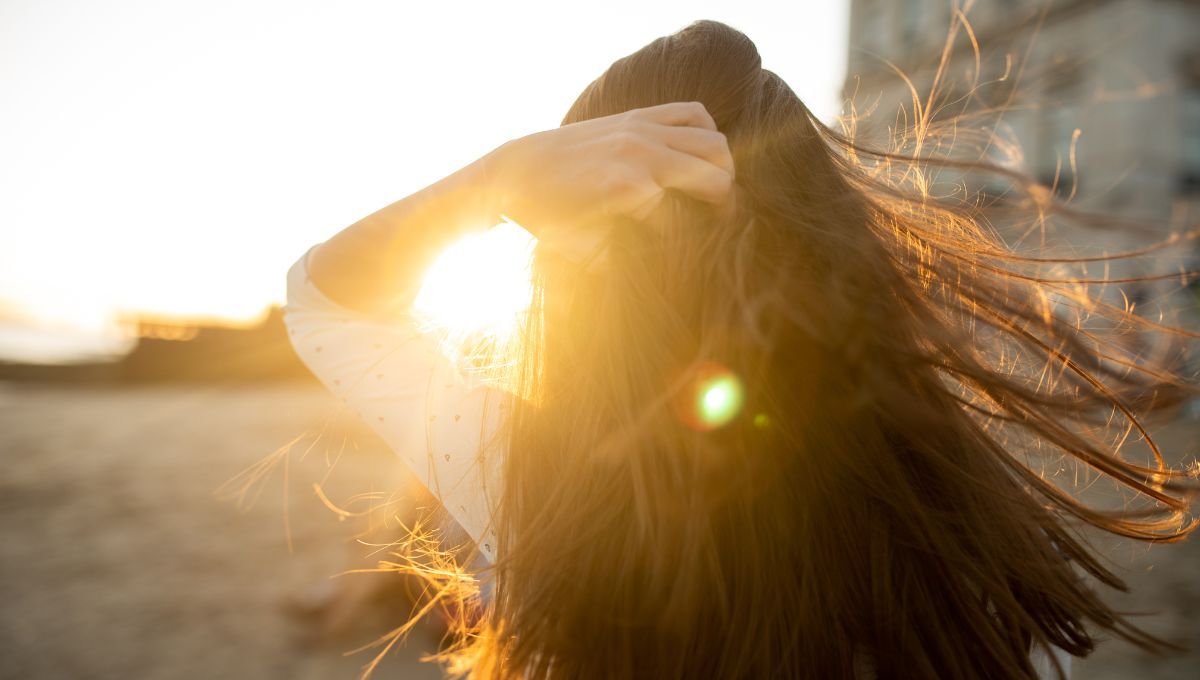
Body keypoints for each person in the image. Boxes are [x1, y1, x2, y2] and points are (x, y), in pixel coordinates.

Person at [282, 19, 1200, 680]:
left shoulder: (533, 478)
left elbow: (326, 304)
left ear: (570, 268)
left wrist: (499, 176)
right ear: (823, 218)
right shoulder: (940, 486)